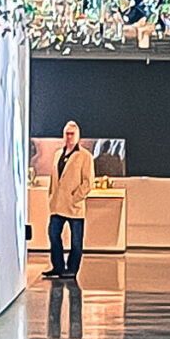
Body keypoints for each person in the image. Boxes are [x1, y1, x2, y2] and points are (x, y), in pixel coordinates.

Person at [44, 119, 95, 279]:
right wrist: (51, 195)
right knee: (53, 234)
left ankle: (72, 269)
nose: (69, 137)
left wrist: (76, 197)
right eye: (67, 134)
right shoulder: (58, 154)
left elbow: (88, 181)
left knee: (76, 240)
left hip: (74, 206)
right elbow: (54, 178)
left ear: (78, 136)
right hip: (57, 205)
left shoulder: (85, 156)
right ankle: (58, 266)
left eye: (72, 134)